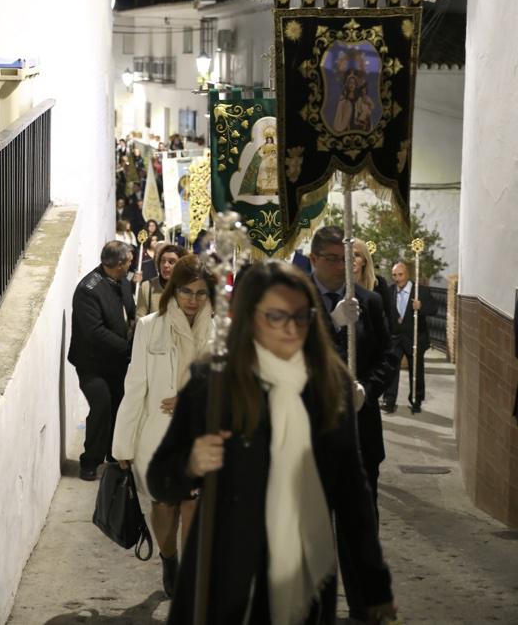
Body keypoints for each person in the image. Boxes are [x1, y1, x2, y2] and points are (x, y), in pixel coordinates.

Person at [147, 261, 397, 625]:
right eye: (276, 316)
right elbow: (160, 479)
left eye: (301, 315)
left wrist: (376, 589)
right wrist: (190, 463)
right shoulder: (210, 383)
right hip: (221, 576)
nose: (291, 327)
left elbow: (353, 498)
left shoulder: (330, 387)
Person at [114, 255, 216, 598]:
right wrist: (122, 447)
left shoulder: (217, 333)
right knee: (164, 506)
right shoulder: (149, 327)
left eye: (201, 293)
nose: (192, 299)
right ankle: (169, 558)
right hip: (157, 437)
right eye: (186, 291)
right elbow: (135, 388)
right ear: (174, 289)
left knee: (192, 505)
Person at [309, 227, 396, 623]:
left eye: (347, 258)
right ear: (313, 260)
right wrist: (330, 321)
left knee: (359, 525)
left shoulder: (369, 301)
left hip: (360, 432)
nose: (342, 266)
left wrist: (369, 388)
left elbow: (390, 352)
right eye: (331, 258)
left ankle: (363, 606)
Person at [67, 242, 136, 481]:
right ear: (118, 264)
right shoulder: (88, 289)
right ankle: (90, 460)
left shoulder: (122, 280)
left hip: (118, 362)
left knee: (119, 406)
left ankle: (114, 453)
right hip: (93, 364)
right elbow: (94, 331)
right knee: (102, 405)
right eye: (128, 261)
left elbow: (130, 311)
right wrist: (128, 348)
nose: (130, 264)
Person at [382, 260, 437, 414]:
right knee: (391, 369)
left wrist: (421, 307)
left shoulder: (421, 291)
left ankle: (416, 400)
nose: (397, 278)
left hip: (414, 337)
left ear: (407, 274)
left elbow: (434, 309)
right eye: (394, 275)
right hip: (395, 337)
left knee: (416, 369)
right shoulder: (390, 290)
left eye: (400, 274)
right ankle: (389, 401)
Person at [352, 239, 395, 333]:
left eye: (357, 255)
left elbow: (389, 318)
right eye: (348, 254)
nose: (352, 258)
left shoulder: (379, 284)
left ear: (364, 261)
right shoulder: (337, 285)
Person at [136, 243, 187, 317]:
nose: (165, 265)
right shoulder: (147, 287)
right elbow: (140, 319)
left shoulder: (188, 288)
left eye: (171, 262)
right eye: (163, 261)